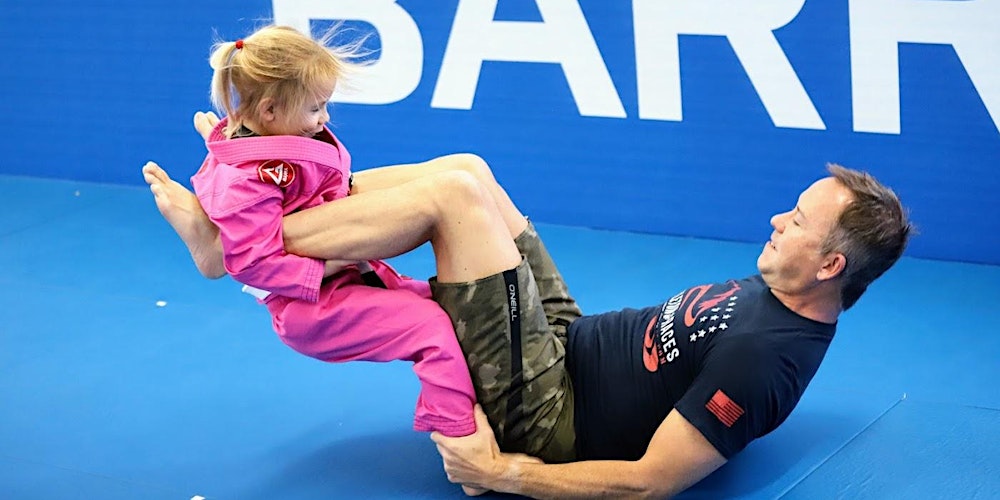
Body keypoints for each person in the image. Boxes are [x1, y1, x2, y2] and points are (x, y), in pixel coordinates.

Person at [144, 56, 911, 500]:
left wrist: (506, 471)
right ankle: (264, 202)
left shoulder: (765, 359)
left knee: (446, 201)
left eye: (799, 222)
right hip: (565, 337)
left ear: (831, 265)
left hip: (544, 408)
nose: (779, 218)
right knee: (468, 170)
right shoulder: (790, 288)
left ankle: (233, 240)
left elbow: (650, 482)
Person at [171, 24, 486, 438]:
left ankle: (487, 401)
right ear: (268, 111)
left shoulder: (273, 141)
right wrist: (332, 262)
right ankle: (461, 440)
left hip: (350, 276)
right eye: (316, 107)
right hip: (310, 308)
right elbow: (252, 263)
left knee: (450, 305)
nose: (325, 117)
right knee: (432, 327)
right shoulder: (247, 179)